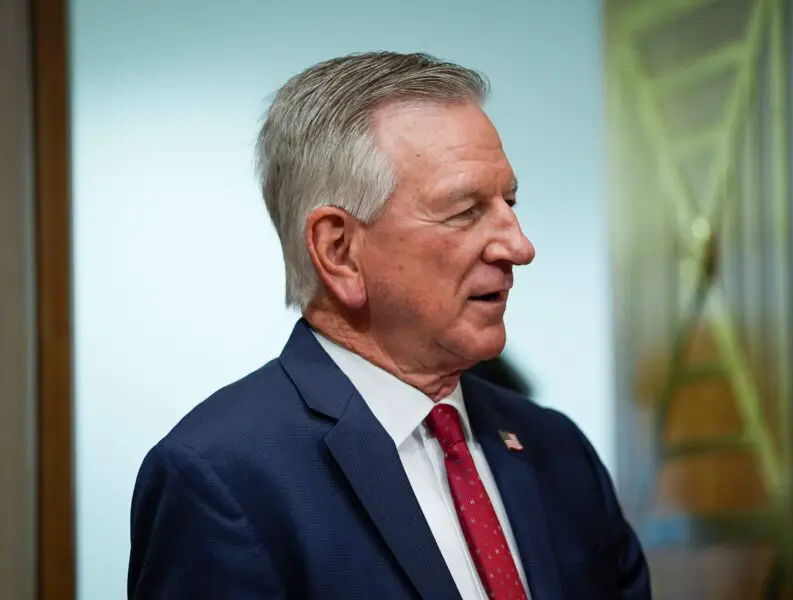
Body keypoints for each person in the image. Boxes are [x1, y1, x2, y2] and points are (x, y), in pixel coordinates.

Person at [128, 51, 651, 600]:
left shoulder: (558, 450)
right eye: (465, 210)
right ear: (339, 251)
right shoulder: (222, 476)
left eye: (510, 202)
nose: (519, 246)